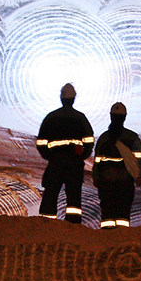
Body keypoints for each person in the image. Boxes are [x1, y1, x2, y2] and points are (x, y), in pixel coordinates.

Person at [36, 83, 94, 224]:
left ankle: (46, 224)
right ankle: (73, 225)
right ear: (73, 99)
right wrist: (81, 156)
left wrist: (49, 156)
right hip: (74, 162)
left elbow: (41, 142)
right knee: (74, 194)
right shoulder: (80, 118)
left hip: (56, 160)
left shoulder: (51, 117)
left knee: (51, 192)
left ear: (61, 98)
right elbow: (89, 141)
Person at [92, 102, 141, 229]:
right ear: (124, 117)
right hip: (125, 179)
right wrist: (139, 175)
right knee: (123, 208)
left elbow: (97, 161)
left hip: (106, 179)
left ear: (111, 116)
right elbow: (138, 161)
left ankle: (107, 235)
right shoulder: (132, 137)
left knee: (107, 208)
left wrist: (96, 177)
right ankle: (122, 235)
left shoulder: (104, 138)